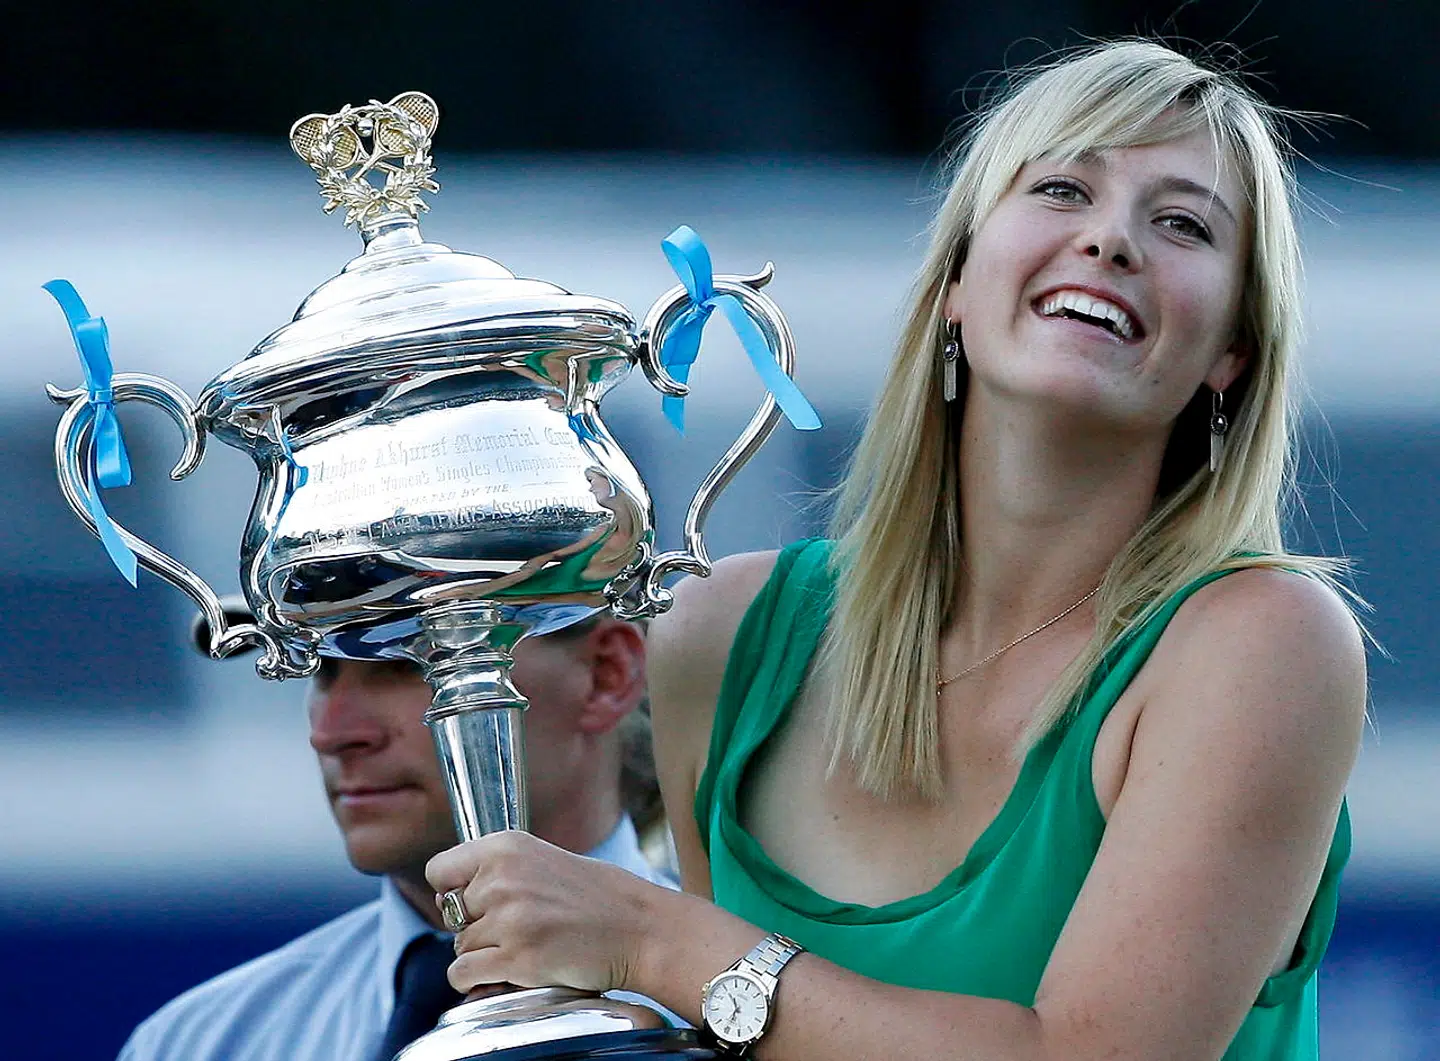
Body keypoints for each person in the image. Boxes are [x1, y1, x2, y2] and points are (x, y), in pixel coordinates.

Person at [423, 39, 1369, 1061]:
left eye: (1183, 223)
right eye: (1061, 188)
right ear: (958, 278)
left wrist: (654, 938)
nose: (1109, 240)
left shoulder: (1264, 644)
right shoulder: (720, 638)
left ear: (1233, 352)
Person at [119, 608, 673, 1061]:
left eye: (403, 657)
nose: (331, 733)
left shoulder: (723, 996)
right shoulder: (195, 1044)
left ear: (606, 675)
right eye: (317, 666)